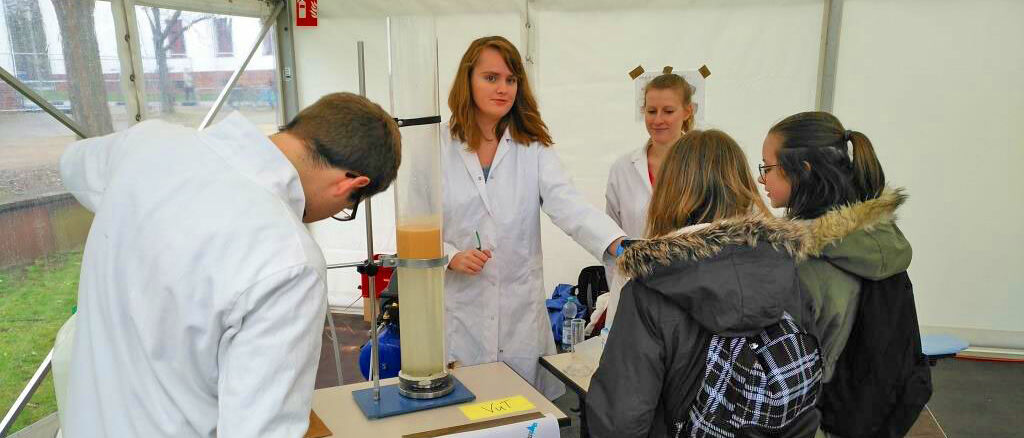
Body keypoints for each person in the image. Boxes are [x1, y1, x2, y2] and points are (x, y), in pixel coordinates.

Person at [60, 93, 401, 437]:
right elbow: (261, 431)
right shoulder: (289, 260)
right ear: (351, 183)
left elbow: (72, 163)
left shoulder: (147, 143)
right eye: (345, 208)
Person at [587, 130, 819, 438]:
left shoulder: (651, 286)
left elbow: (621, 420)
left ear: (670, 190)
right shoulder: (785, 267)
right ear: (742, 185)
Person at [441, 36, 625, 399]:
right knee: (463, 413)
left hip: (518, 313)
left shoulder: (533, 146)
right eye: (491, 78)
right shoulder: (437, 145)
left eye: (511, 80)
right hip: (460, 311)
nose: (503, 88)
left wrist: (619, 245)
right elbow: (414, 224)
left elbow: (567, 204)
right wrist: (450, 255)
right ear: (468, 81)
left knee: (521, 415)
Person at [758, 111, 928, 437]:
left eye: (768, 168)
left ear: (803, 171)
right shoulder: (877, 242)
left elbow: (791, 378)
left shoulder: (810, 266)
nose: (762, 179)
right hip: (875, 420)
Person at [602, 73, 696, 327]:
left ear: (687, 111)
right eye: (651, 111)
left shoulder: (703, 166)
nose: (658, 120)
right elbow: (611, 238)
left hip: (691, 298)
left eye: (668, 111)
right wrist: (620, 291)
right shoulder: (622, 168)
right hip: (634, 294)